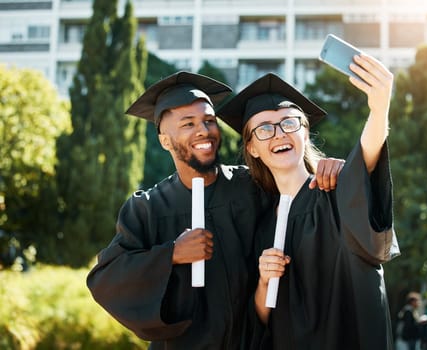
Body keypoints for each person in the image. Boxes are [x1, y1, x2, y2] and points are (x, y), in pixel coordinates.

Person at [86, 71, 343, 349]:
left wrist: (331, 171)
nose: (203, 130)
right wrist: (171, 254)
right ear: (164, 140)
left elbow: (299, 188)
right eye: (188, 124)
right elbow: (105, 279)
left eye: (209, 121)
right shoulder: (148, 208)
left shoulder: (252, 185)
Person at [217, 50, 399, 349]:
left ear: (305, 131)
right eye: (264, 129)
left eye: (290, 123)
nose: (279, 134)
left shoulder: (336, 194)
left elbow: (365, 159)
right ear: (251, 148)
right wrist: (264, 281)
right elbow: (259, 320)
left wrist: (379, 111)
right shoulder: (260, 224)